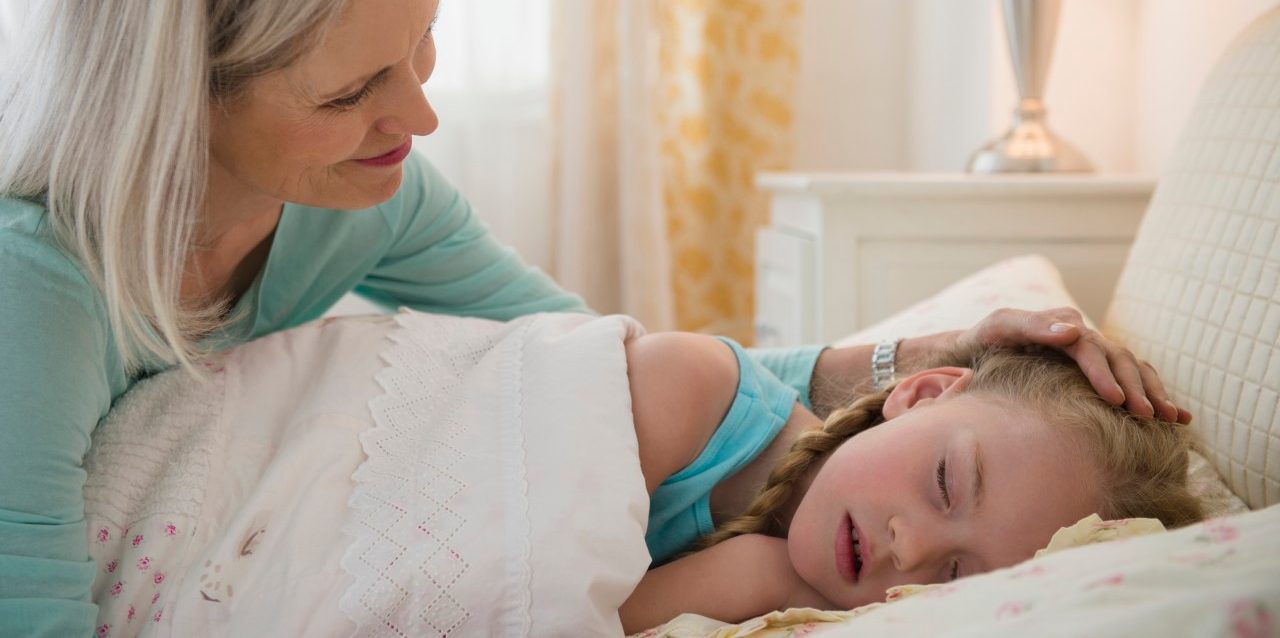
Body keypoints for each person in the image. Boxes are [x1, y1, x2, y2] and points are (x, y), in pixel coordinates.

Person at [0, 1, 1188, 635]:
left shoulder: (374, 195)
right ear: (182, 95)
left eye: (421, 49)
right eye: (352, 89)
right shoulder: (38, 291)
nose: (414, 113)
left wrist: (902, 354)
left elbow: (581, 365)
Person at [619, 336, 1203, 632]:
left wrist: (755, 574)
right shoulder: (690, 388)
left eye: (953, 577)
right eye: (945, 482)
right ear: (921, 394)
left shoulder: (789, 585)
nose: (912, 548)